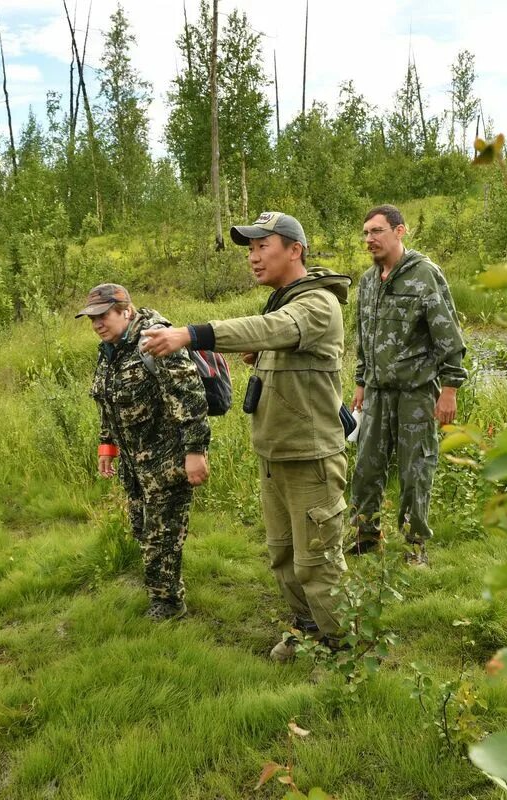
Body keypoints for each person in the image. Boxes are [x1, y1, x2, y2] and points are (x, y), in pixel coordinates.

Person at [140, 212, 353, 662]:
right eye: (250, 250)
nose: (253, 258)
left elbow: (274, 329)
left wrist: (188, 336)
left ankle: (343, 652)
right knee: (283, 556)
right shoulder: (282, 303)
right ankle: (309, 629)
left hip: (311, 456)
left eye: (263, 246)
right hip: (276, 453)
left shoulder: (316, 303)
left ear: (295, 250)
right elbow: (274, 337)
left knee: (317, 562)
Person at [79, 283, 211, 620]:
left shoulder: (156, 341)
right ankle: (160, 588)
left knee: (161, 534)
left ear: (125, 310)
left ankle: (168, 604)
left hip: (167, 457)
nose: (96, 324)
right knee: (141, 528)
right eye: (91, 318)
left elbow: (190, 397)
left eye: (102, 316)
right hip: (135, 462)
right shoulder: (111, 349)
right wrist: (107, 445)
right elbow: (108, 401)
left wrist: (195, 451)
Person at [350, 204, 467, 566]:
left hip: (416, 392)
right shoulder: (369, 281)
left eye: (378, 231)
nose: (370, 239)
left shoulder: (424, 275)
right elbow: (364, 335)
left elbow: (448, 334)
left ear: (400, 232)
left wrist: (449, 389)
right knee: (366, 467)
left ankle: (416, 545)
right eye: (366, 232)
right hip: (377, 392)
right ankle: (366, 536)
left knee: (416, 469)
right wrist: (360, 380)